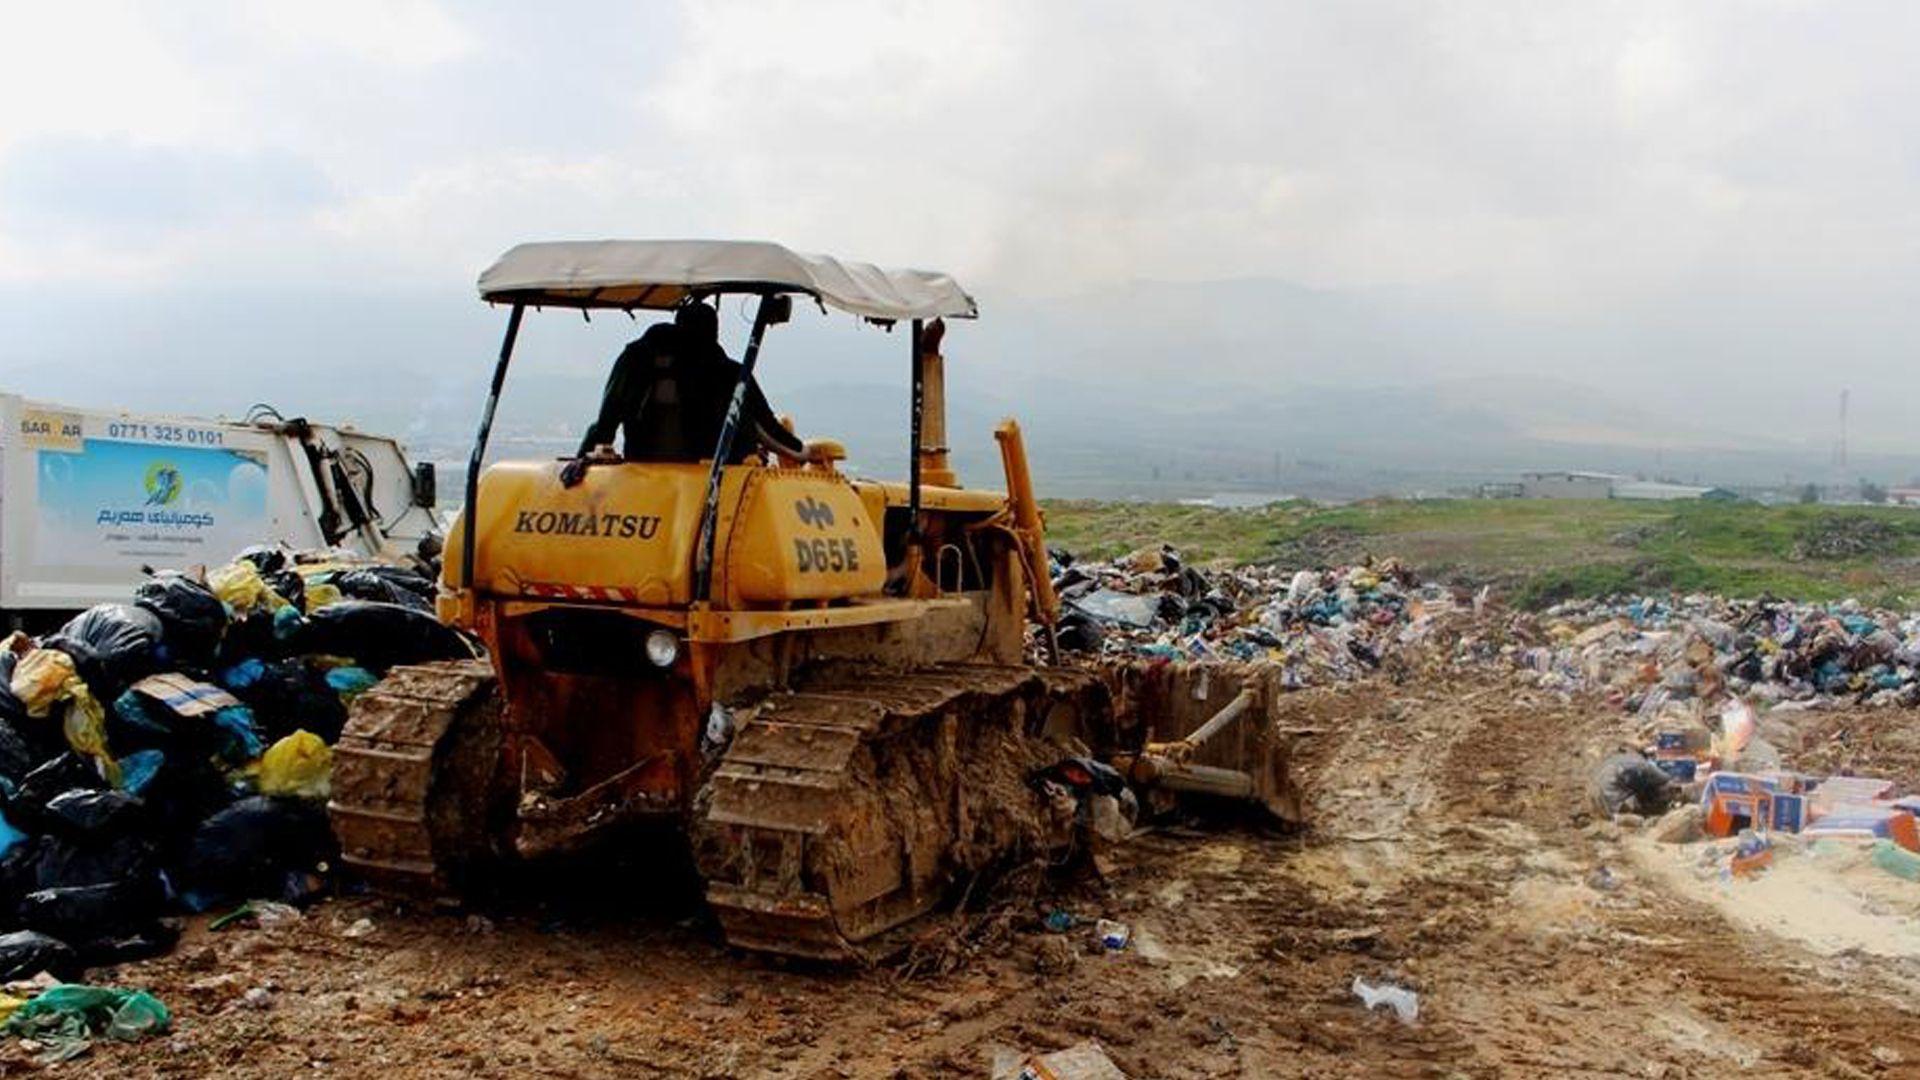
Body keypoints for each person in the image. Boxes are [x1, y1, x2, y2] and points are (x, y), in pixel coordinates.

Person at [565, 302, 809, 484]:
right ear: (714, 332)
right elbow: (768, 431)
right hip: (708, 485)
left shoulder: (637, 360)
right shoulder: (727, 373)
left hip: (642, 479)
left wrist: (581, 459)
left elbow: (606, 422)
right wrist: (805, 452)